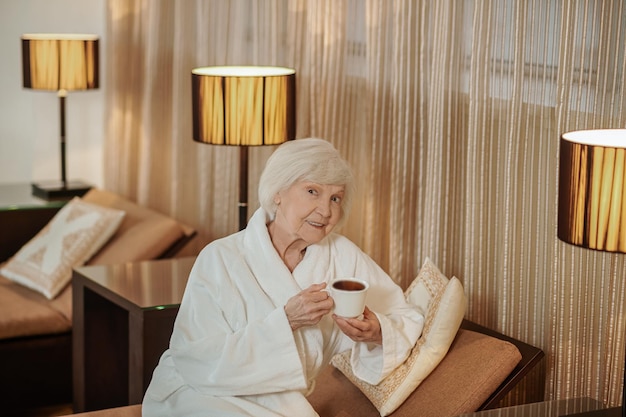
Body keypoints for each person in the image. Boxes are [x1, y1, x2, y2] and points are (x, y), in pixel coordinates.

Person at [143, 138, 424, 416]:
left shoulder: (342, 256)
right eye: (312, 191)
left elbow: (404, 315)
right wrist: (286, 321)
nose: (326, 211)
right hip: (198, 394)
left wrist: (377, 333)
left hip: (278, 404)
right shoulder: (220, 258)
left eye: (335, 198)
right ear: (278, 191)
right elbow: (196, 360)